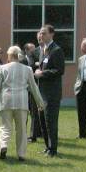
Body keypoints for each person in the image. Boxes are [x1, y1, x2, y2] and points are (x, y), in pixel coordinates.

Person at [0, 45, 45, 161]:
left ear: (9, 55)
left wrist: (0, 89)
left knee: (5, 127)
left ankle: (3, 146)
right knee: (21, 129)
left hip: (6, 101)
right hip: (21, 101)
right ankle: (21, 154)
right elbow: (33, 87)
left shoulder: (2, 68)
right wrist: (40, 103)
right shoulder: (27, 69)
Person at [34, 24, 65, 157]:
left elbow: (59, 70)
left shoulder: (56, 50)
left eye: (44, 33)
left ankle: (53, 149)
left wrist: (42, 73)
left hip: (52, 93)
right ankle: (47, 147)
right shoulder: (43, 49)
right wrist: (38, 71)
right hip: (42, 91)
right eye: (41, 33)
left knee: (50, 121)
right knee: (42, 121)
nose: (41, 35)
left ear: (52, 34)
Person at [23, 42, 42, 142]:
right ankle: (23, 133)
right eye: (32, 49)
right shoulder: (22, 60)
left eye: (35, 49)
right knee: (24, 113)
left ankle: (34, 134)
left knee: (34, 112)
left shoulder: (36, 59)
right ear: (26, 50)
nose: (35, 51)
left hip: (33, 89)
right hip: (24, 90)